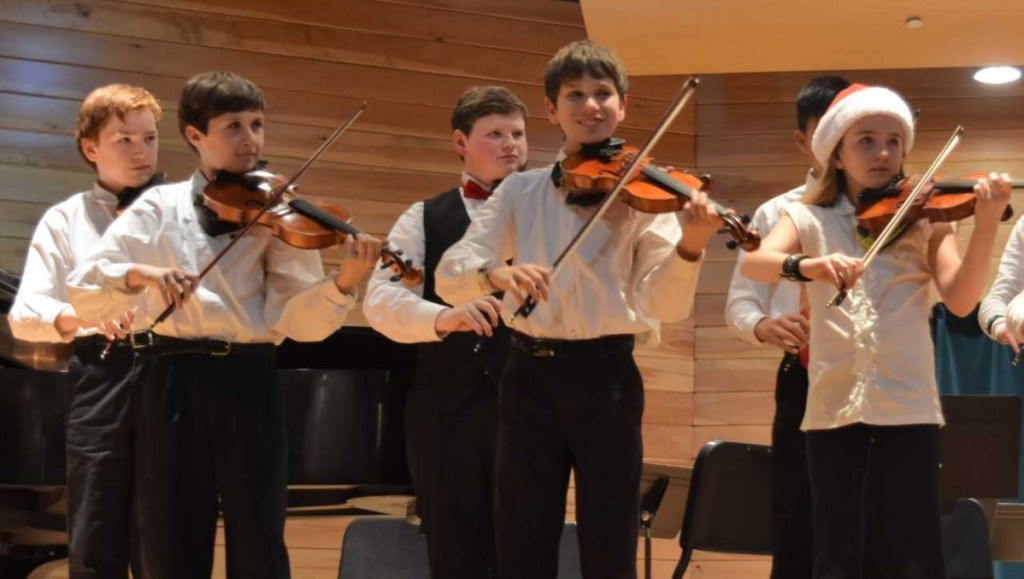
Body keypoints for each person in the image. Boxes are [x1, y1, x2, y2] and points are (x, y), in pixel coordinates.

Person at [66, 71, 381, 579]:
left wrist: (343, 283)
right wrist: (140, 273)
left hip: (249, 379)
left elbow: (296, 322)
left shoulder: (280, 209)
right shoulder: (156, 207)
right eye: (233, 126)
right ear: (195, 135)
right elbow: (83, 286)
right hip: (169, 379)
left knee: (259, 536)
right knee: (169, 535)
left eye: (257, 125)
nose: (250, 139)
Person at [435, 40, 722, 579]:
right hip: (527, 375)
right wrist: (495, 273)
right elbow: (451, 271)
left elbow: (666, 304)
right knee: (522, 533)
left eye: (602, 94)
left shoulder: (644, 194)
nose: (590, 105)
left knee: (610, 537)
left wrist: (691, 247)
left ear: (623, 105)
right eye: (575, 95)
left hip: (607, 376)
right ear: (552, 109)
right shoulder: (520, 190)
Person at [741, 83, 1012, 578]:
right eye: (865, 140)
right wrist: (809, 266)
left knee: (912, 557)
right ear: (837, 153)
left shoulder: (925, 218)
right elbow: (756, 263)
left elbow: (961, 298)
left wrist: (988, 223)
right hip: (831, 411)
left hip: (908, 409)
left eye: (893, 141)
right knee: (837, 555)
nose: (883, 152)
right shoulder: (804, 215)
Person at [363, 85, 528, 578]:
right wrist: (441, 317)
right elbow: (380, 299)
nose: (510, 145)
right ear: (460, 142)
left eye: (518, 133)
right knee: (453, 552)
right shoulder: (424, 216)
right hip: (444, 410)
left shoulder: (551, 212)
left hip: (529, 404)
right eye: (494, 134)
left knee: (526, 545)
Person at [9, 83, 162, 579]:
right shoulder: (66, 219)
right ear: (90, 148)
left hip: (172, 375)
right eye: (124, 140)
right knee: (96, 530)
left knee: (167, 532)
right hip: (103, 372)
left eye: (150, 139)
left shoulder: (177, 213)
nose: (141, 152)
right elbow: (26, 310)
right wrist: (87, 317)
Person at [724, 75, 849, 579]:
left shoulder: (886, 208)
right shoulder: (779, 212)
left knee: (867, 521)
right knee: (797, 514)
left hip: (874, 383)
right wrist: (760, 326)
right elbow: (740, 300)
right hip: (801, 377)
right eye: (826, 132)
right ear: (803, 141)